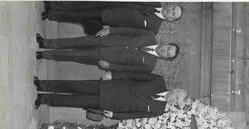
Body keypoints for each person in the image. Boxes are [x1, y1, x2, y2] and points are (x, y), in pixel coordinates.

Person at [33, 71, 185, 122]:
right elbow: (134, 74)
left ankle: (44, 99)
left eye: (176, 103)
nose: (173, 101)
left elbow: (134, 115)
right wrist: (113, 75)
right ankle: (42, 85)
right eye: (176, 97)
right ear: (175, 90)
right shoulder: (159, 81)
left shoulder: (159, 110)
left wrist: (114, 115)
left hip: (109, 103)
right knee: (74, 85)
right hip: (109, 86)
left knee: (74, 101)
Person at [35, 27, 180, 71]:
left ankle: (45, 55)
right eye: (168, 48)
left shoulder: (149, 65)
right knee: (75, 41)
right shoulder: (149, 35)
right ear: (167, 43)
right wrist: (110, 30)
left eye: (167, 54)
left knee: (75, 55)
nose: (165, 51)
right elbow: (127, 31)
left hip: (106, 57)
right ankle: (45, 43)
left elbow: (126, 69)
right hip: (105, 39)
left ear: (165, 58)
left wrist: (109, 66)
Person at [42, 2, 183, 35]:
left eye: (172, 13)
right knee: (81, 4)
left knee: (79, 17)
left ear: (170, 20)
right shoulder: (155, 3)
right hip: (111, 4)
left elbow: (131, 32)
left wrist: (111, 30)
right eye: (172, 8)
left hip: (110, 20)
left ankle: (50, 14)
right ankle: (53, 4)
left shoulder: (154, 29)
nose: (170, 10)